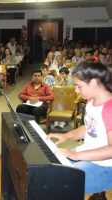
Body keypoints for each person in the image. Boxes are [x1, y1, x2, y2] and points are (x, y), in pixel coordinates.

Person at [47, 61, 112, 200]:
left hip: (105, 165)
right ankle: (98, 195)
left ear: (94, 83)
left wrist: (77, 155)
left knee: (58, 182)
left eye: (78, 86)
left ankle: (98, 192)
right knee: (52, 164)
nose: (76, 90)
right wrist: (66, 136)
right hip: (87, 153)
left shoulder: (109, 109)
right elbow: (89, 127)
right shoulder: (91, 100)